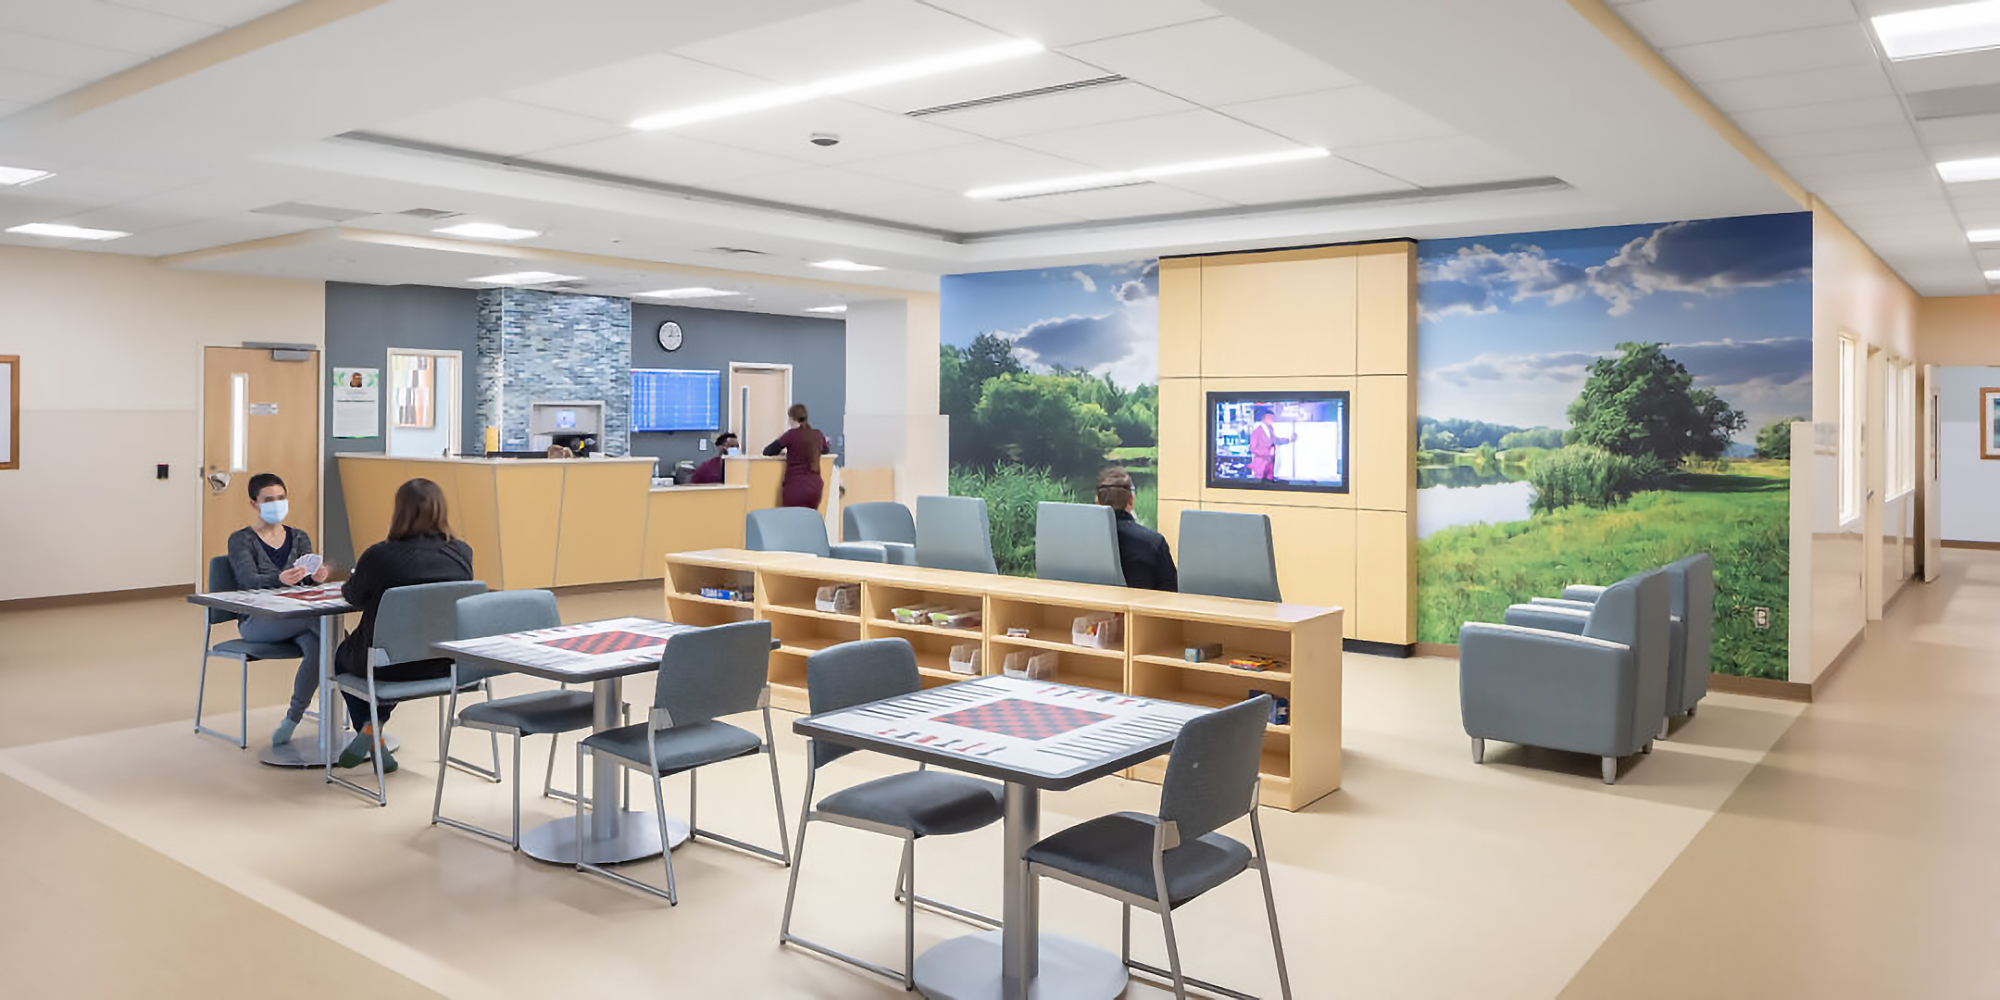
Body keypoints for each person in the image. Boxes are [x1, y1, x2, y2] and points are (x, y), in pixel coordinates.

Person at [332, 478, 475, 771]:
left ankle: (370, 730)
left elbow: (353, 596)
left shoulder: (379, 555)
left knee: (343, 654)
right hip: (444, 662)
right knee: (393, 651)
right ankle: (374, 730)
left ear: (399, 512)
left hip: (389, 666)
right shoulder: (461, 552)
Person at [226, 473, 330, 747]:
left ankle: (291, 720)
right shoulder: (241, 540)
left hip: (298, 618)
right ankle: (363, 669)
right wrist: (278, 579)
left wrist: (315, 577)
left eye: (281, 498)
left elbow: (306, 577)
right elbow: (248, 580)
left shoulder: (298, 536)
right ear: (253, 503)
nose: (276, 504)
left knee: (321, 647)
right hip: (259, 621)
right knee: (330, 635)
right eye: (269, 499)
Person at [1096, 467, 1176, 592]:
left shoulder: (1080, 541)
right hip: (1143, 609)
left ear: (1097, 501)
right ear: (1131, 500)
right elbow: (1171, 592)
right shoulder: (1153, 543)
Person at [763, 403, 830, 509]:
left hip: (795, 487)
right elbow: (825, 450)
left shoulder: (791, 435)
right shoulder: (817, 434)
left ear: (792, 418)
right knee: (809, 521)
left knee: (792, 521)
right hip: (815, 487)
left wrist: (787, 450)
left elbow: (768, 451)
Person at [1249, 408, 1294, 481]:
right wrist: (1268, 452)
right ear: (1264, 418)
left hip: (1270, 464)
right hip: (1260, 465)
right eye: (1269, 417)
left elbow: (1275, 440)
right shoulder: (1257, 431)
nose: (1272, 419)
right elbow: (1252, 449)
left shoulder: (1270, 429)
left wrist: (1289, 439)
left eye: (1272, 418)